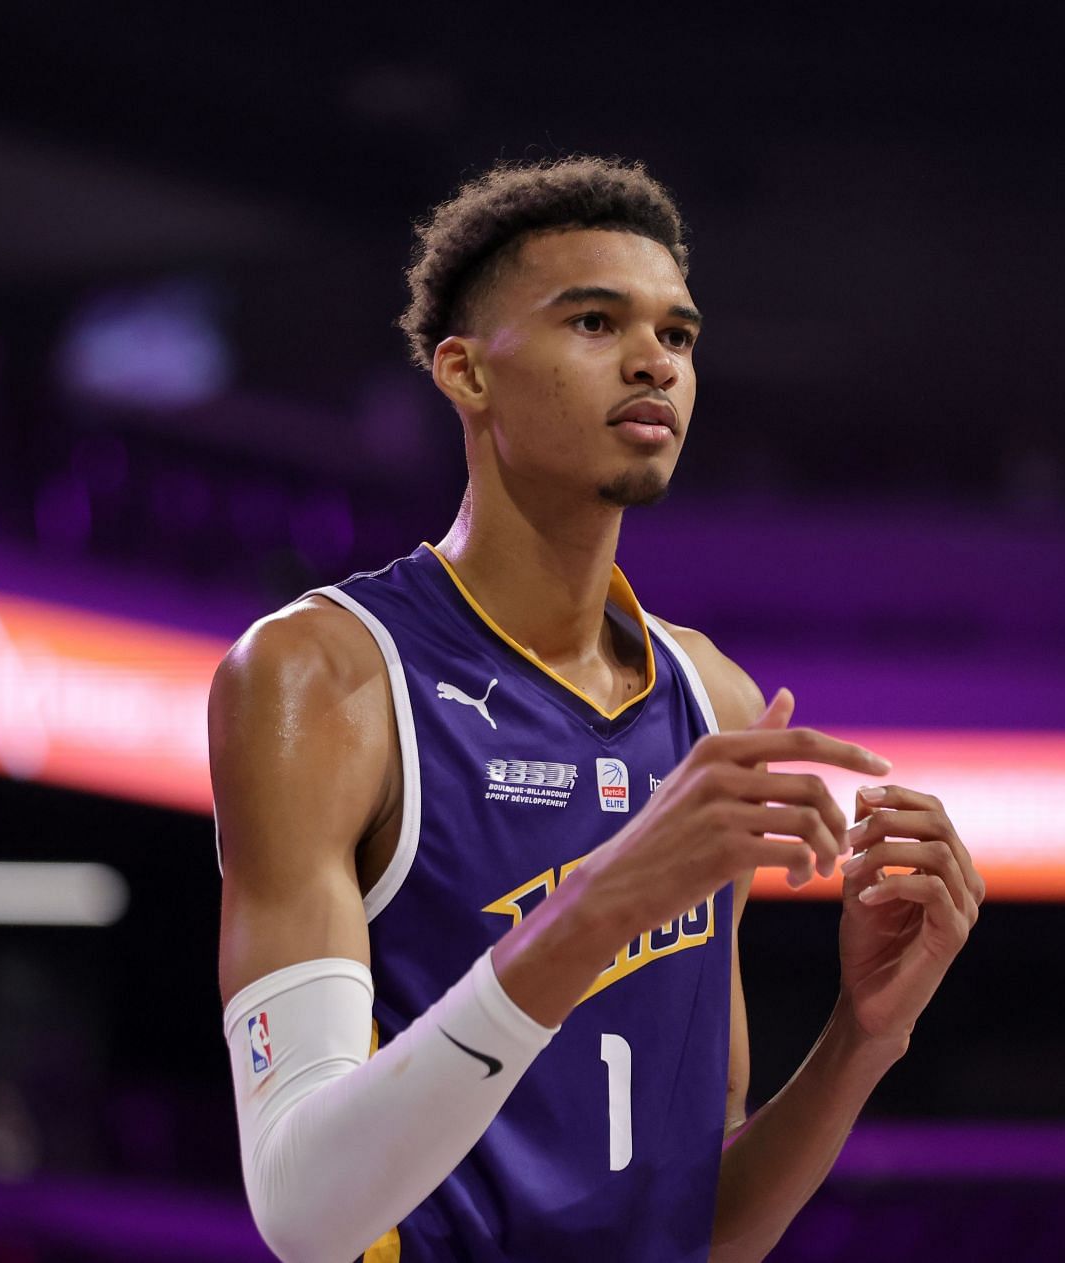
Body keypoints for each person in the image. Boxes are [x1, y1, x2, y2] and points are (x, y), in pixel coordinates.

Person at [210, 156, 986, 1263]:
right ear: (467, 374)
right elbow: (304, 1210)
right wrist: (604, 901)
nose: (654, 362)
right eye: (593, 321)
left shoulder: (712, 702)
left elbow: (703, 1230)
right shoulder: (323, 675)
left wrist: (865, 1036)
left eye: (679, 335)